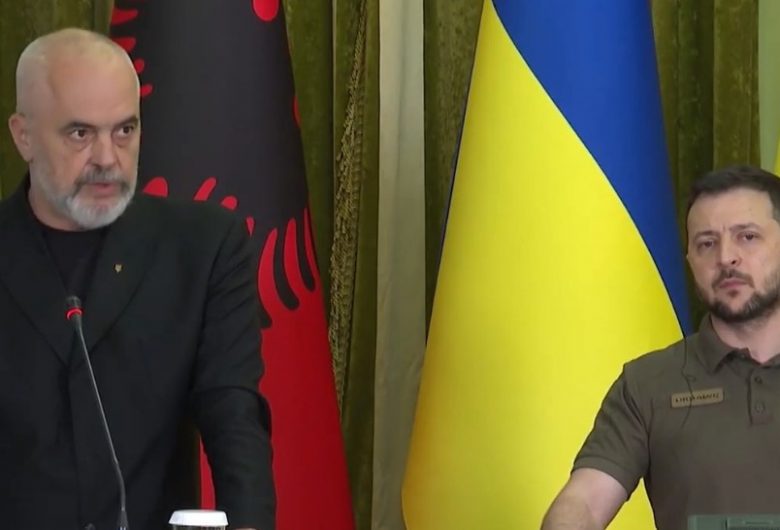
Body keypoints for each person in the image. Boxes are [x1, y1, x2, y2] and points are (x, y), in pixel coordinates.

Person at [3, 28, 275, 529]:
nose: (108, 158)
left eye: (125, 130)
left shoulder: (203, 247)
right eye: (80, 134)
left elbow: (233, 417)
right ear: (24, 137)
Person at [542, 165, 780, 530]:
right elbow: (585, 503)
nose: (725, 258)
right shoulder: (647, 384)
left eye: (747, 237)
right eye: (706, 243)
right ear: (690, 261)